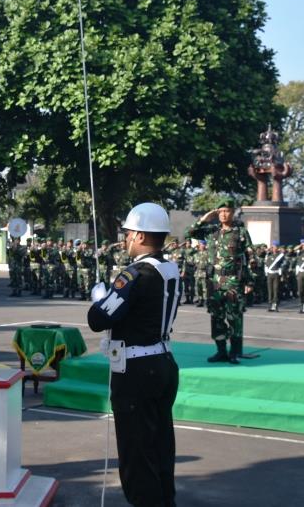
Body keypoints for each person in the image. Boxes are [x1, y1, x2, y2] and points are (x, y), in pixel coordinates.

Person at [87, 202, 180, 507]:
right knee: (160, 445)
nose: (125, 239)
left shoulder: (135, 274)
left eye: (127, 233)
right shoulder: (169, 268)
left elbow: (99, 320)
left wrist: (100, 298)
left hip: (137, 369)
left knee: (136, 454)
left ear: (140, 235)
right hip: (163, 360)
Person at [189, 198, 253, 364]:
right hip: (214, 282)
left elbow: (250, 258)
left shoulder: (240, 232)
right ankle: (221, 351)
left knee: (234, 317)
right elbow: (189, 233)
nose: (223, 214)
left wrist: (249, 282)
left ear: (232, 212)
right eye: (220, 211)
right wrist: (204, 219)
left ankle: (235, 352)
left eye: (227, 211)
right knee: (216, 317)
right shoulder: (211, 231)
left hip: (233, 281)